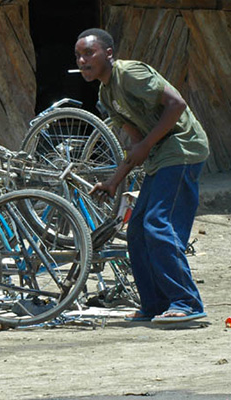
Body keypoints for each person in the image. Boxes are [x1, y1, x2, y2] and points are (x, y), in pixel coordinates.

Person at [75, 28, 209, 323]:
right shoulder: (106, 95)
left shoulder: (130, 74)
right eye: (79, 55)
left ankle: (186, 301)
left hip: (183, 149)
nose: (83, 60)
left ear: (108, 54)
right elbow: (137, 146)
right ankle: (154, 304)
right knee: (136, 229)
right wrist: (113, 181)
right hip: (160, 156)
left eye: (89, 53)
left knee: (157, 223)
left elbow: (177, 104)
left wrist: (148, 144)